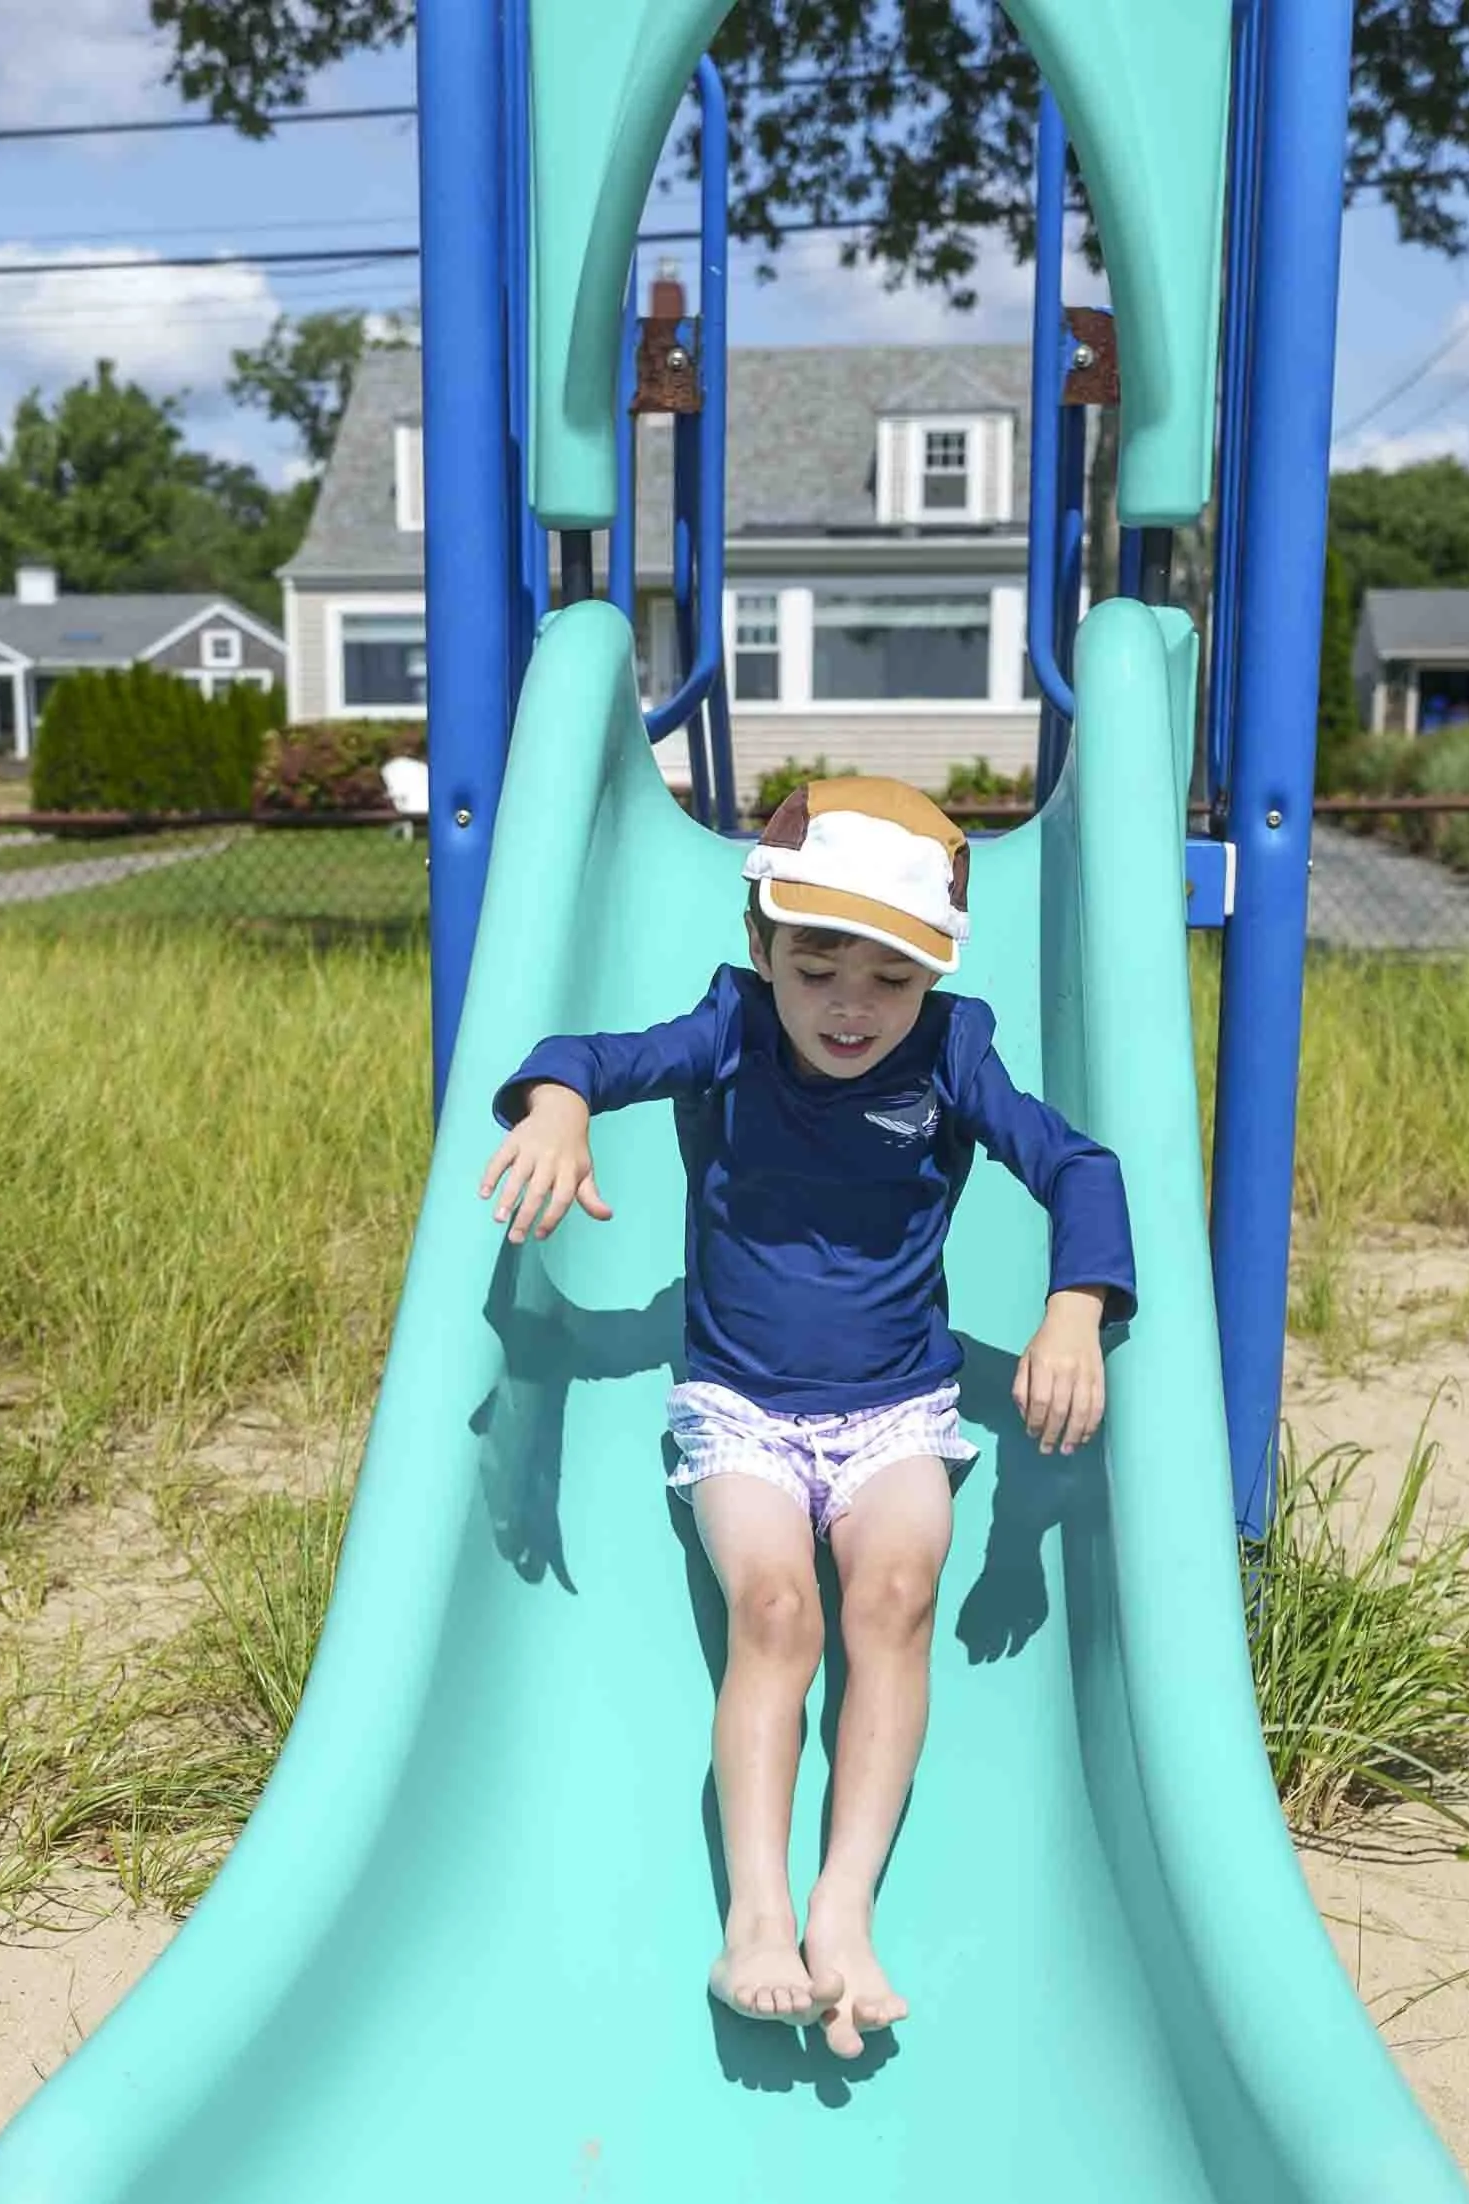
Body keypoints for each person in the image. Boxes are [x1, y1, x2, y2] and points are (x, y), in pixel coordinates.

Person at [482, 777, 1134, 2059]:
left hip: (897, 1406)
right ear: (760, 950)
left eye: (888, 981)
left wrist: (1073, 1306)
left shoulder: (952, 1052)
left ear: (930, 979)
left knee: (892, 1595)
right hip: (741, 1408)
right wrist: (553, 1107)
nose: (850, 1007)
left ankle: (843, 1907)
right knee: (774, 1611)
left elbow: (1076, 1164)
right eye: (816, 966)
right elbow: (594, 1061)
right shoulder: (729, 1029)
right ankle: (757, 1920)